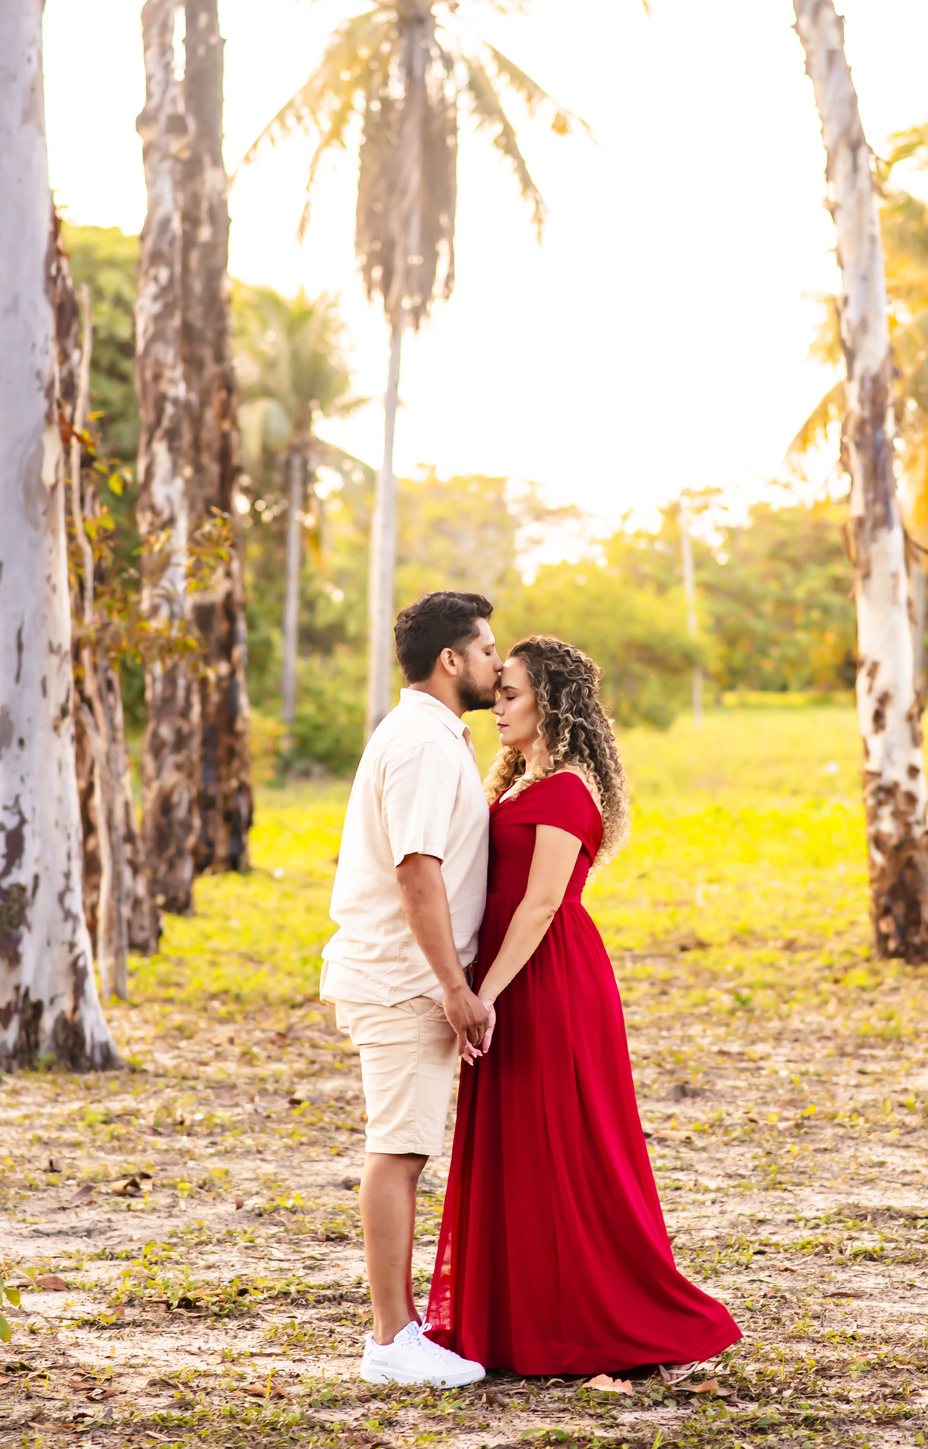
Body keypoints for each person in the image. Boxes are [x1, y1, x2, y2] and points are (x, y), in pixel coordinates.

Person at [424, 635, 741, 1378]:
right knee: (518, 1147)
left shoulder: (567, 787)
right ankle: (513, 1321)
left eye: (511, 694)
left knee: (563, 1144)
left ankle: (594, 1316)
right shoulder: (515, 783)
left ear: (552, 704)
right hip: (509, 975)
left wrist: (483, 996)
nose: (496, 707)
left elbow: (539, 907)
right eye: (496, 691)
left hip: (546, 979)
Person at [321, 591, 502, 1388]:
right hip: (402, 980)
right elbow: (415, 870)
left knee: (406, 1150)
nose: (499, 663)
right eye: (488, 650)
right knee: (397, 1152)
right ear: (451, 660)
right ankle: (391, 1341)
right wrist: (455, 988)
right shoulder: (424, 744)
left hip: (403, 976)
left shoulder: (433, 736)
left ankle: (402, 1330)